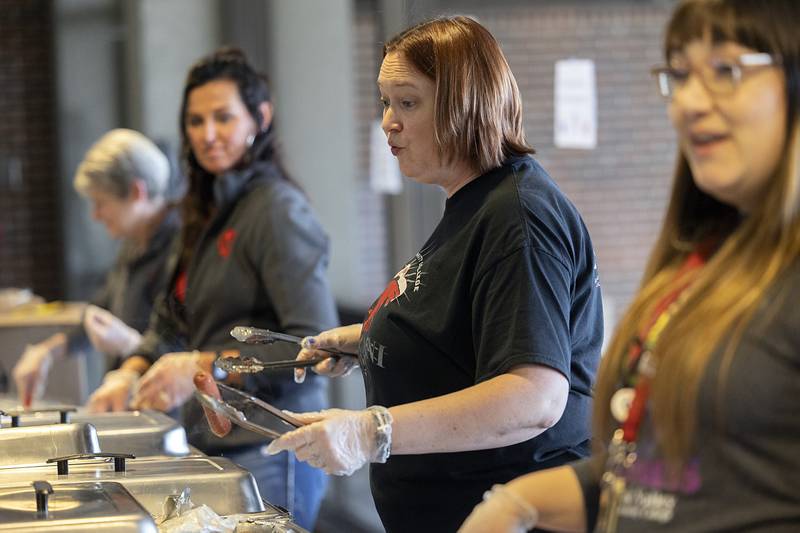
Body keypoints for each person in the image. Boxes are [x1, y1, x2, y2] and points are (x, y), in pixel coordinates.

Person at [460, 1, 800, 532]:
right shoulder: (697, 265)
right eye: (679, 75)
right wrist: (514, 503)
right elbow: (649, 479)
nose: (688, 101)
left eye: (726, 71)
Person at [264, 16, 604, 532]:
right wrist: (367, 341)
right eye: (385, 101)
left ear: (465, 104)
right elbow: (467, 328)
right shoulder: (471, 203)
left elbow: (534, 397)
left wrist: (371, 431)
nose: (387, 122)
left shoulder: (520, 216)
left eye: (408, 102)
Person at [85, 48, 337, 531]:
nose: (207, 134)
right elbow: (171, 317)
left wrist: (205, 365)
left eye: (223, 117)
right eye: (195, 121)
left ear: (259, 118)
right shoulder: (204, 210)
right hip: (217, 443)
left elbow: (312, 347)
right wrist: (132, 371)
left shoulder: (277, 210)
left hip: (273, 447)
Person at [12, 128, 179, 408]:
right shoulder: (133, 245)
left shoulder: (181, 250)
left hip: (170, 415)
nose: (95, 214)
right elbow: (99, 312)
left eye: (101, 203)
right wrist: (46, 351)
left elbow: (184, 346)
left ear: (137, 191)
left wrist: (133, 346)